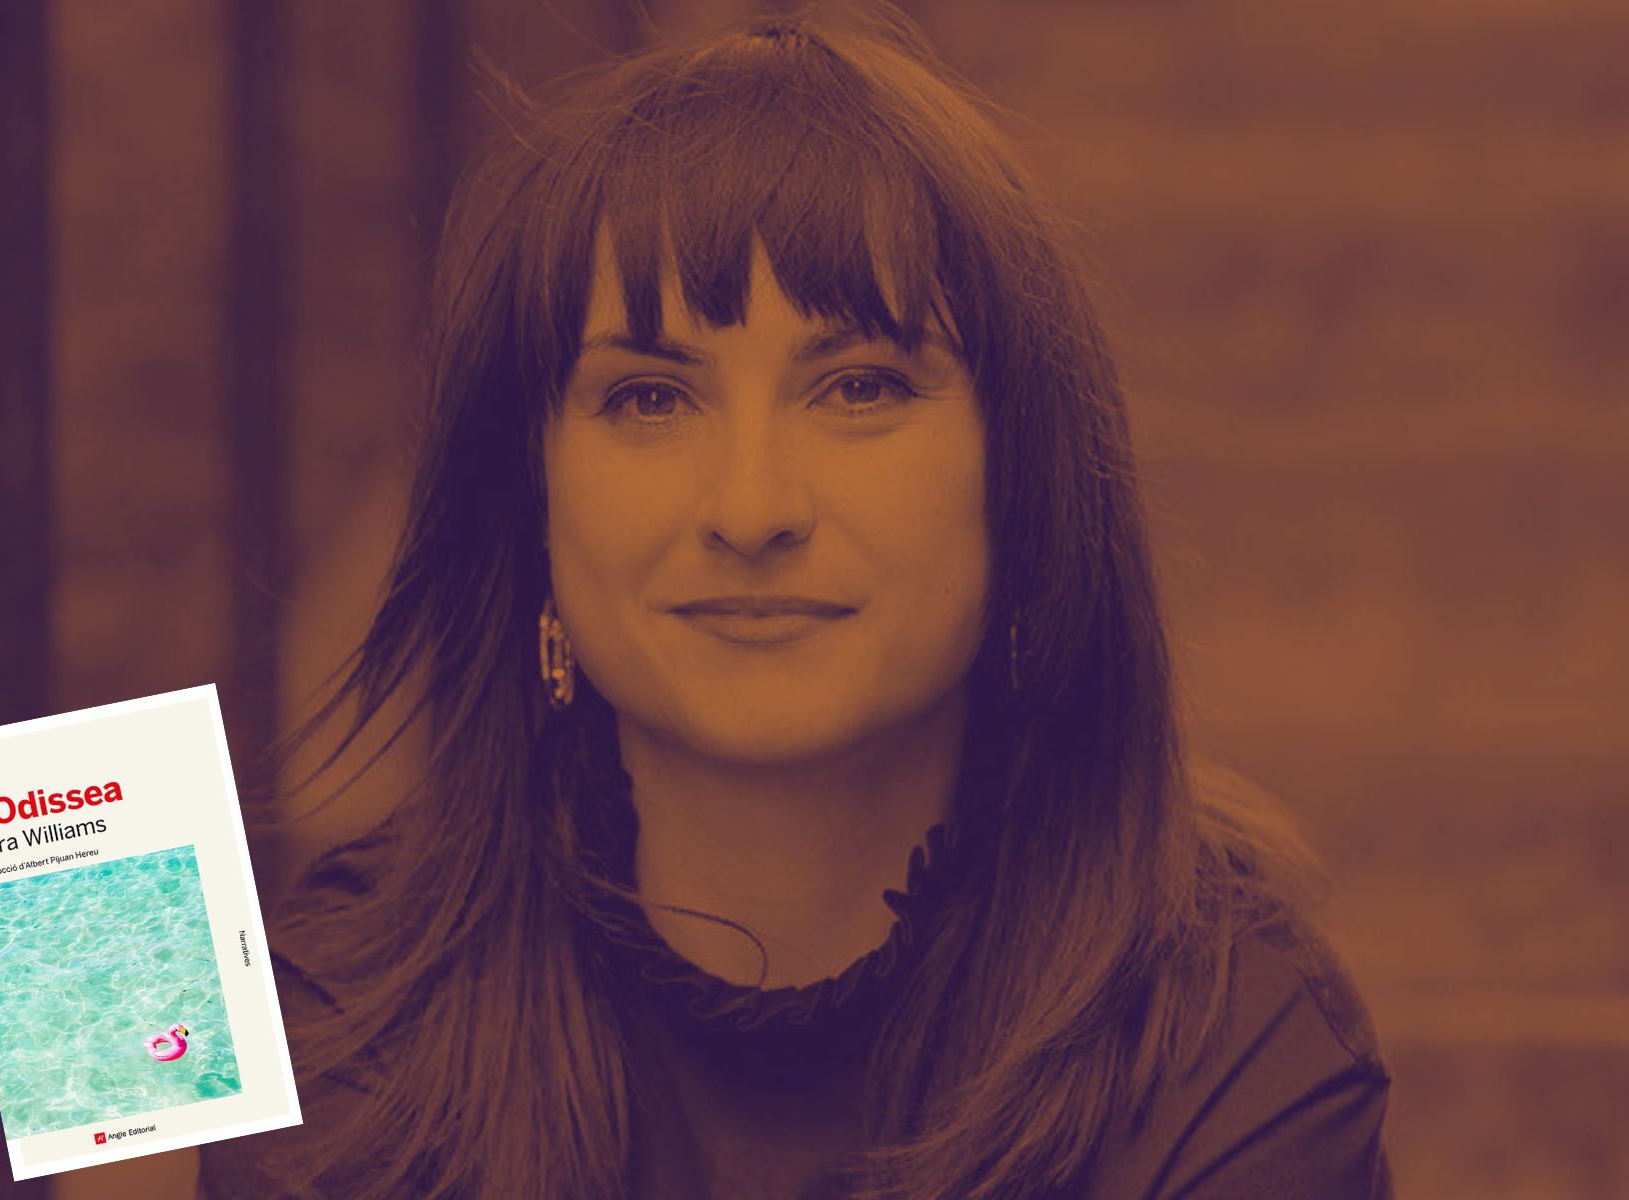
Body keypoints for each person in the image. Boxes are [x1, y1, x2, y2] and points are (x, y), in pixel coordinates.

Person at [199, 5, 1392, 1197]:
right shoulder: (325, 1015)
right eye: (651, 399)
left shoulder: (1232, 1046)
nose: (752, 506)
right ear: (534, 505)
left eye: (859, 387)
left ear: (1025, 484)